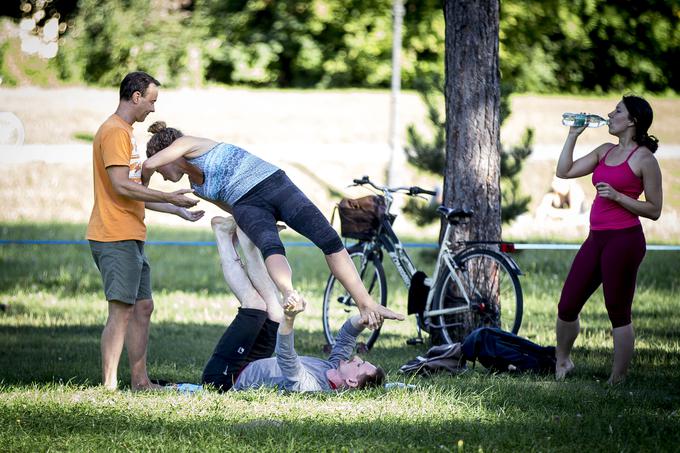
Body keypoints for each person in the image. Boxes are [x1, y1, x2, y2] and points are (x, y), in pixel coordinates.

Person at [141, 122, 405, 330]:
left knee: (328, 238)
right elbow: (231, 207)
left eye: (163, 167)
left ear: (166, 154)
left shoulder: (188, 143)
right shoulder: (198, 188)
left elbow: (149, 164)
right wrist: (258, 223)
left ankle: (365, 302)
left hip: (273, 183)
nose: (163, 175)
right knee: (270, 246)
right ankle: (289, 294)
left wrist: (142, 185)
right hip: (247, 206)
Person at [86, 72, 205, 391]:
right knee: (121, 311)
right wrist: (168, 196)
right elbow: (122, 185)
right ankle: (109, 387)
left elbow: (137, 193)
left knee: (142, 307)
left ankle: (140, 381)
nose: (153, 109)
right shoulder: (113, 132)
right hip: (113, 235)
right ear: (135, 97)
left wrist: (177, 209)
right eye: (151, 101)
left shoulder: (127, 133)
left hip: (131, 234)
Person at [201, 215, 385, 392]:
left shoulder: (311, 386)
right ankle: (247, 236)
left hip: (224, 379)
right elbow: (346, 338)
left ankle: (223, 235)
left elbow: (286, 357)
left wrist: (289, 319)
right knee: (274, 311)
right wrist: (361, 320)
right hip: (252, 363)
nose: (357, 358)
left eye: (359, 365)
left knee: (255, 304)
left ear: (352, 381)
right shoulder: (334, 368)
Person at [554, 95, 662, 384]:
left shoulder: (644, 159)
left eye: (618, 111)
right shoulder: (604, 151)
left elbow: (654, 209)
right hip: (596, 238)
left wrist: (618, 197)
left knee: (617, 309)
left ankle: (618, 377)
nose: (610, 115)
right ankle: (563, 361)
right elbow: (563, 171)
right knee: (567, 304)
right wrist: (572, 135)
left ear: (632, 121)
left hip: (625, 241)